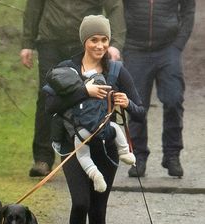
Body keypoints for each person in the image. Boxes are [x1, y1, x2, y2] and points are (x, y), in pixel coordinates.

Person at [45, 15, 145, 224]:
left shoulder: (116, 71)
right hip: (72, 146)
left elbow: (140, 110)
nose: (99, 45)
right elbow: (49, 105)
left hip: (105, 147)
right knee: (80, 202)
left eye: (104, 39)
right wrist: (83, 90)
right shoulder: (66, 69)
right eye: (94, 40)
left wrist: (127, 103)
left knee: (98, 210)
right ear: (84, 41)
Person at [20, 0, 126, 177]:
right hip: (50, 42)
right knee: (48, 96)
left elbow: (114, 7)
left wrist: (115, 43)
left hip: (85, 43)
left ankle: (98, 153)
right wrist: (27, 42)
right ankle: (43, 158)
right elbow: (34, 6)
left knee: (95, 95)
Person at [122, 0, 195, 177]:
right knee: (136, 106)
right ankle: (138, 157)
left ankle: (172, 156)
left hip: (168, 48)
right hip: (134, 48)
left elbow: (189, 9)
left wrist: (178, 44)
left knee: (174, 99)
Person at [46, 68, 136, 193]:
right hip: (101, 126)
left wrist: (57, 143)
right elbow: (99, 79)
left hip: (80, 133)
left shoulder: (64, 99)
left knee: (83, 156)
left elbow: (56, 124)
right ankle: (125, 152)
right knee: (115, 127)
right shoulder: (91, 84)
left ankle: (94, 174)